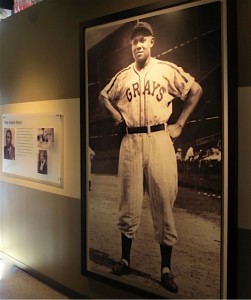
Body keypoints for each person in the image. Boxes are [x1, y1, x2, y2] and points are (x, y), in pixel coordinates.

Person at [99, 21, 203, 293]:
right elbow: (103, 96)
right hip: (131, 140)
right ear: (131, 46)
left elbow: (195, 90)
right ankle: (124, 259)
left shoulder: (165, 70)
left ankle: (165, 269)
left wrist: (179, 124)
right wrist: (115, 115)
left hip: (159, 138)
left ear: (152, 42)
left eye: (143, 40)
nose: (138, 45)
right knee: (128, 202)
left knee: (163, 201)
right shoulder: (123, 76)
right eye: (134, 42)